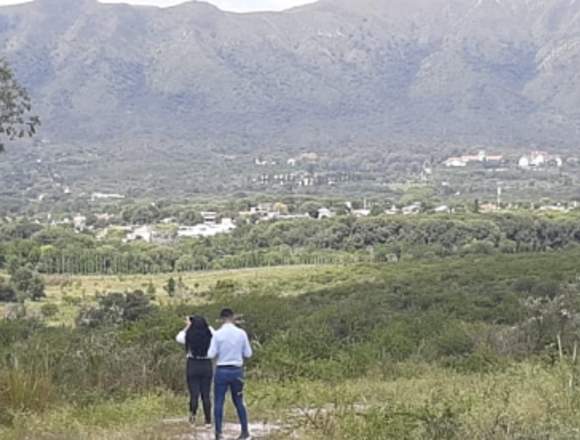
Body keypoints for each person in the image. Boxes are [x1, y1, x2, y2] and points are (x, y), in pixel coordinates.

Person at [208, 308, 253, 440]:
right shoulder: (241, 333)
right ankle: (244, 431)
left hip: (222, 370)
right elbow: (248, 354)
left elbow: (211, 354)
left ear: (221, 319)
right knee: (239, 401)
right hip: (237, 371)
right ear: (233, 317)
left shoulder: (217, 334)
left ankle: (219, 433)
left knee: (218, 402)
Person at [176, 315, 214, 426]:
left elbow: (178, 337)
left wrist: (188, 326)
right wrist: (207, 325)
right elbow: (215, 333)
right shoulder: (209, 336)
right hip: (206, 364)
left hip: (192, 364)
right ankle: (208, 421)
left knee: (194, 394)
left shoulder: (189, 336)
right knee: (206, 394)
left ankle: (192, 418)